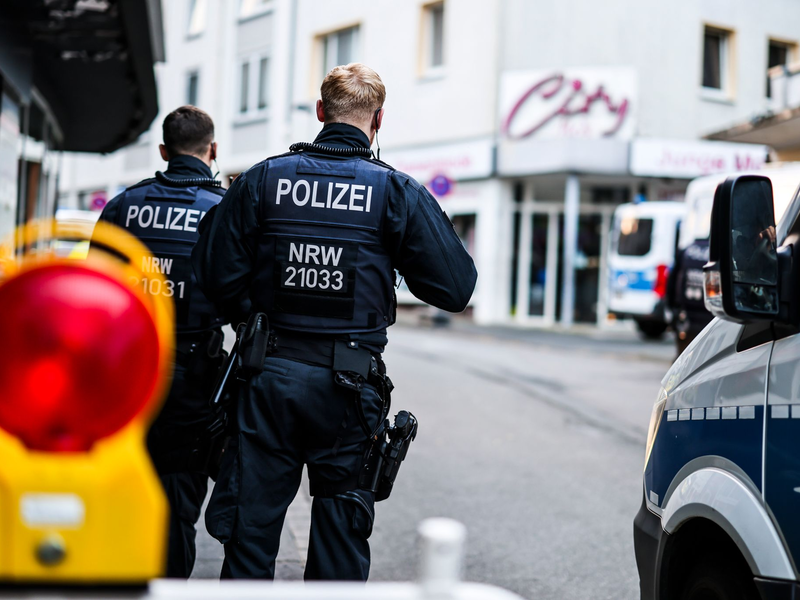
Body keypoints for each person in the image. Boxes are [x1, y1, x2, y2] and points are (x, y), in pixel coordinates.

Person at [192, 63, 477, 581]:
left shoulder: (262, 178)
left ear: (320, 112)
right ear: (378, 120)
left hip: (267, 379)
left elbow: (213, 270)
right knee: (339, 548)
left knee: (250, 539)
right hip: (348, 390)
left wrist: (254, 322)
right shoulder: (395, 192)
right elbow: (455, 289)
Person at [93, 105, 227, 577]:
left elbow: (96, 292)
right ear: (212, 150)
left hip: (125, 376)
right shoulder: (222, 210)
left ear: (164, 151)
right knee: (175, 509)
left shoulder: (124, 206)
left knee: (118, 491)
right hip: (194, 382)